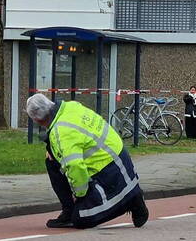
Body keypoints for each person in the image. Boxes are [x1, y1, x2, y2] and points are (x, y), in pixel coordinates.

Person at [25, 93, 149, 230]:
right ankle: (71, 210)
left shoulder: (60, 132)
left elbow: (75, 166)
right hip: (120, 159)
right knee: (51, 160)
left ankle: (130, 200)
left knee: (80, 218)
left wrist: (79, 195)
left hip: (109, 171)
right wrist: (52, 148)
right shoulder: (70, 106)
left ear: (37, 120)